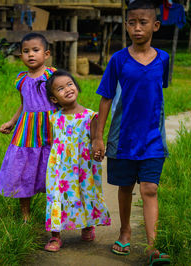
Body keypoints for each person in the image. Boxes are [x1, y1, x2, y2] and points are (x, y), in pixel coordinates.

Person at [93, 0, 171, 264]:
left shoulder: (163, 59)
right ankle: (125, 231)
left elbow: (160, 90)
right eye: (132, 22)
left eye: (143, 22)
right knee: (125, 187)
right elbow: (105, 98)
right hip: (122, 138)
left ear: (155, 26)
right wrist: (98, 136)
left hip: (152, 139)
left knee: (150, 188)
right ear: (126, 25)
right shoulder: (118, 60)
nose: (137, 28)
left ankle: (152, 246)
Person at [43, 70, 111, 252]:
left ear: (77, 87)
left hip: (83, 167)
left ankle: (88, 226)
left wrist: (97, 152)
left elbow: (96, 142)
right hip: (60, 168)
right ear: (54, 99)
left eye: (70, 84)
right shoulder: (54, 117)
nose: (67, 89)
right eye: (60, 89)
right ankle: (55, 236)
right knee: (56, 197)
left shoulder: (90, 116)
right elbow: (52, 142)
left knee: (85, 194)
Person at [0, 33, 56, 223]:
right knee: (24, 170)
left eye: (35, 50)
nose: (30, 55)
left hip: (51, 130)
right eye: (26, 51)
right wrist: (12, 122)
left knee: (53, 171)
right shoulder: (21, 80)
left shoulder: (52, 76)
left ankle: (54, 214)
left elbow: (64, 102)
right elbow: (24, 104)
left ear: (46, 54)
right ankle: (25, 216)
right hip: (27, 132)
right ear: (20, 55)